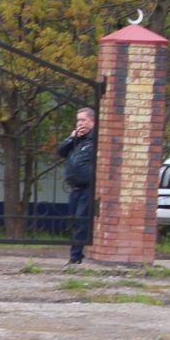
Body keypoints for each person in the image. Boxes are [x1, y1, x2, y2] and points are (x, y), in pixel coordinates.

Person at [57, 107, 96, 264]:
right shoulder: (77, 140)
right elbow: (60, 152)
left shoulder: (96, 139)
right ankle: (76, 255)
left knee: (81, 220)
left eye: (83, 120)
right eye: (78, 120)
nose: (80, 123)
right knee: (74, 221)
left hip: (88, 187)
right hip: (75, 188)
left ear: (92, 121)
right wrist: (71, 138)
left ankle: (75, 257)